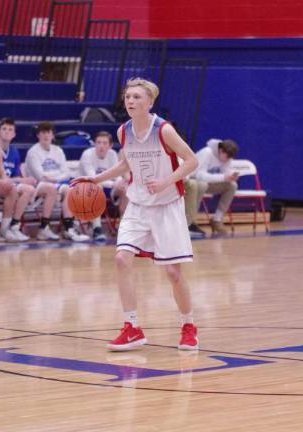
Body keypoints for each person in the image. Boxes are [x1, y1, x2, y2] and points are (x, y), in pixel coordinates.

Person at [72, 77, 200, 351]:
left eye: (136, 97)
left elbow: (192, 160)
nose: (130, 101)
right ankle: (132, 327)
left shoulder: (164, 130)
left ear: (150, 102)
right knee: (121, 259)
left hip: (167, 205)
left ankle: (188, 325)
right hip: (138, 205)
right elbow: (125, 164)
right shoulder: (124, 131)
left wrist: (167, 181)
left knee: (173, 273)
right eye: (128, 97)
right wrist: (95, 180)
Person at [25, 121, 89, 242]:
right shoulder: (33, 152)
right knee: (51, 188)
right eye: (43, 132)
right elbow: (40, 176)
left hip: (56, 183)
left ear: (53, 135)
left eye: (48, 132)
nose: (46, 135)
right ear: (38, 135)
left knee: (70, 190)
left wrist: (53, 177)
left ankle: (68, 228)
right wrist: (58, 176)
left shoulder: (58, 150)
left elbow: (66, 172)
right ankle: (43, 228)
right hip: (36, 185)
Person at [0, 118, 60, 241]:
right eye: (4, 129)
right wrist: (20, 181)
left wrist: (24, 179)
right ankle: (4, 230)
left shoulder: (14, 151)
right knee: (22, 188)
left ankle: (14, 226)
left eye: (10, 130)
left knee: (30, 188)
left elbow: (16, 174)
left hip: (12, 184)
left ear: (14, 134)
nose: (7, 132)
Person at [78, 130, 128, 241]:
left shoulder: (112, 154)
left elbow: (117, 175)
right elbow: (93, 178)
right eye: (98, 142)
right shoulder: (87, 155)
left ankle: (124, 226)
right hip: (84, 188)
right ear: (94, 144)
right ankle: (97, 228)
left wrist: (119, 182)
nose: (101, 146)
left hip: (107, 186)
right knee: (97, 188)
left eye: (104, 143)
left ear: (110, 145)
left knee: (125, 189)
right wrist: (114, 183)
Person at [185, 138, 239, 236]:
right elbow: (199, 175)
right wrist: (223, 177)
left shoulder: (226, 157)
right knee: (202, 185)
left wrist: (231, 176)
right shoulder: (207, 153)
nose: (228, 159)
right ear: (221, 151)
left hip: (207, 183)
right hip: (191, 180)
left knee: (232, 186)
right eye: (227, 156)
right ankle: (190, 222)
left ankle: (217, 219)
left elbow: (226, 172)